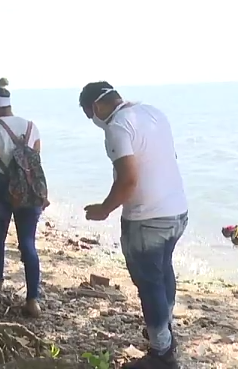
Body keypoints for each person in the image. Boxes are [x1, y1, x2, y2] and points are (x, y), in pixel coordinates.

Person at [79, 82, 188, 369]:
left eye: (90, 116)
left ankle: (162, 352)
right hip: (177, 210)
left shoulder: (117, 126)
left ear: (94, 108)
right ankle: (164, 328)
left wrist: (104, 209)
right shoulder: (152, 113)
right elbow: (167, 159)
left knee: (149, 283)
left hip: (147, 218)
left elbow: (128, 179)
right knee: (163, 271)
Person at [0, 85, 47, 317]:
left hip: (3, 188)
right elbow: (35, 164)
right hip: (28, 190)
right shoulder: (31, 126)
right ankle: (33, 299)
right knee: (28, 242)